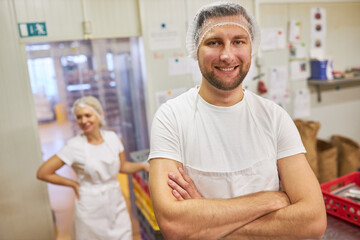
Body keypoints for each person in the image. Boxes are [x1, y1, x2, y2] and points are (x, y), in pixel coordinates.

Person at [148, 2, 326, 240]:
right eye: (214, 42)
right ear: (195, 49)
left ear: (252, 46)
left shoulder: (274, 117)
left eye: (238, 41)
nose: (227, 55)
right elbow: (174, 225)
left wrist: (205, 220)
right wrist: (269, 201)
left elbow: (313, 221)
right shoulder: (171, 117)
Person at [37, 96, 149, 240]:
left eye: (87, 115)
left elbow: (122, 166)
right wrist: (72, 184)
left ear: (99, 115)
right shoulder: (74, 146)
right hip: (89, 207)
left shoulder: (112, 138)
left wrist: (143, 166)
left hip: (115, 202)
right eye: (79, 117)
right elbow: (43, 172)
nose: (83, 121)